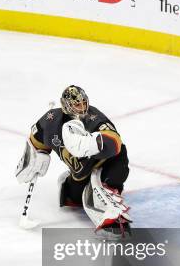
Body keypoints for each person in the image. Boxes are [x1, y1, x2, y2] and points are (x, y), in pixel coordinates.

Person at [15, 85, 131, 234]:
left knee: (115, 165)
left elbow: (115, 142)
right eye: (77, 104)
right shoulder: (50, 121)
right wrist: (34, 157)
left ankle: (111, 211)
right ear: (66, 105)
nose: (82, 107)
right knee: (72, 198)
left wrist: (90, 143)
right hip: (81, 171)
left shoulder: (94, 117)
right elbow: (36, 139)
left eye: (84, 102)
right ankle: (71, 185)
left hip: (105, 164)